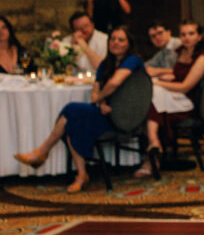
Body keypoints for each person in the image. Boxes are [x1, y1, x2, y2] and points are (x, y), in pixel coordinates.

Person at [14, 26, 144, 192]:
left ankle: (43, 152)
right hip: (105, 113)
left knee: (71, 110)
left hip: (126, 116)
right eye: (113, 39)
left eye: (121, 40)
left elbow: (115, 83)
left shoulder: (132, 60)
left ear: (128, 44)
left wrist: (100, 99)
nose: (115, 43)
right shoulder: (106, 64)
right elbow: (95, 90)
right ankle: (81, 175)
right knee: (72, 122)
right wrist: (100, 103)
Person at [136, 19, 204, 177]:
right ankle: (154, 146)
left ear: (200, 36)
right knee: (151, 96)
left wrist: (158, 83)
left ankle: (152, 147)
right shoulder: (183, 51)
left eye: (191, 34)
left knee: (153, 96)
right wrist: (158, 77)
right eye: (183, 34)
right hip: (175, 96)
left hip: (187, 102)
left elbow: (185, 86)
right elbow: (176, 74)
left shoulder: (202, 58)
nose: (187, 38)